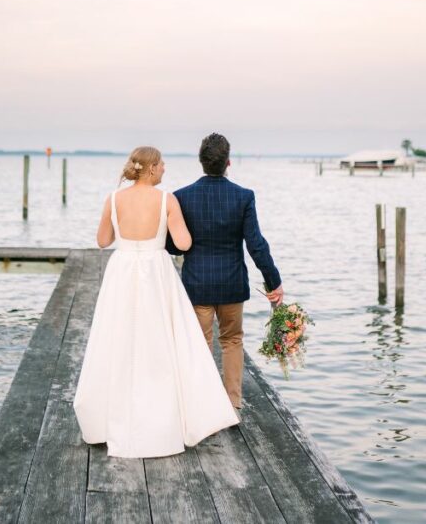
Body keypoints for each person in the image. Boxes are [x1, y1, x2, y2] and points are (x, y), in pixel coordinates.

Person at [73, 146, 239, 458]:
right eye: (162, 164)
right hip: (156, 272)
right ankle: (162, 422)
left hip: (122, 272)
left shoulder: (113, 198)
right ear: (150, 168)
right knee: (159, 343)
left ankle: (109, 420)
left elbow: (102, 241)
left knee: (119, 340)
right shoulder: (166, 199)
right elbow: (184, 242)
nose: (165, 169)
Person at [167, 133, 284, 411]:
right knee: (232, 340)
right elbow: (256, 245)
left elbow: (174, 246)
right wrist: (273, 282)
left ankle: (202, 402)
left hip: (197, 284)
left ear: (201, 162)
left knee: (200, 342)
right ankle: (233, 401)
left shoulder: (181, 197)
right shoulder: (244, 197)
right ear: (228, 162)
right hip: (232, 284)